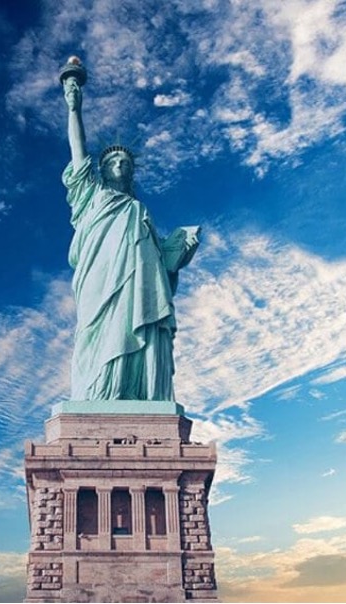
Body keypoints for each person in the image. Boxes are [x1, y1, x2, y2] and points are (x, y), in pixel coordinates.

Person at [62, 69, 200, 402]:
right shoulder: (91, 197)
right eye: (112, 161)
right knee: (98, 333)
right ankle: (99, 395)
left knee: (142, 325)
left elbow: (161, 270)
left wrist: (176, 255)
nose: (120, 165)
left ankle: (138, 393)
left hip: (140, 287)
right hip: (100, 280)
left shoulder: (140, 212)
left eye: (126, 161)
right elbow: (79, 154)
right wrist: (74, 108)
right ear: (103, 169)